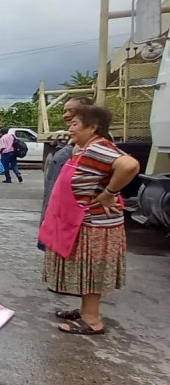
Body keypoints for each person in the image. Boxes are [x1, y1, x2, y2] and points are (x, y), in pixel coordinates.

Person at [39, 105, 139, 335]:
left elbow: (130, 165)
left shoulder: (98, 148)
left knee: (91, 270)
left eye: (75, 124)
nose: (70, 128)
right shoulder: (85, 148)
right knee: (84, 269)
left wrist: (109, 193)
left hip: (94, 225)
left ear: (93, 127)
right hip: (80, 222)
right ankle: (86, 310)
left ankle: (92, 320)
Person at [39, 96, 94, 250]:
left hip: (75, 219)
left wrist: (110, 192)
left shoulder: (94, 143)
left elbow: (127, 165)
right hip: (58, 213)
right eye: (65, 111)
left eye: (71, 110)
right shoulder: (75, 141)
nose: (66, 115)